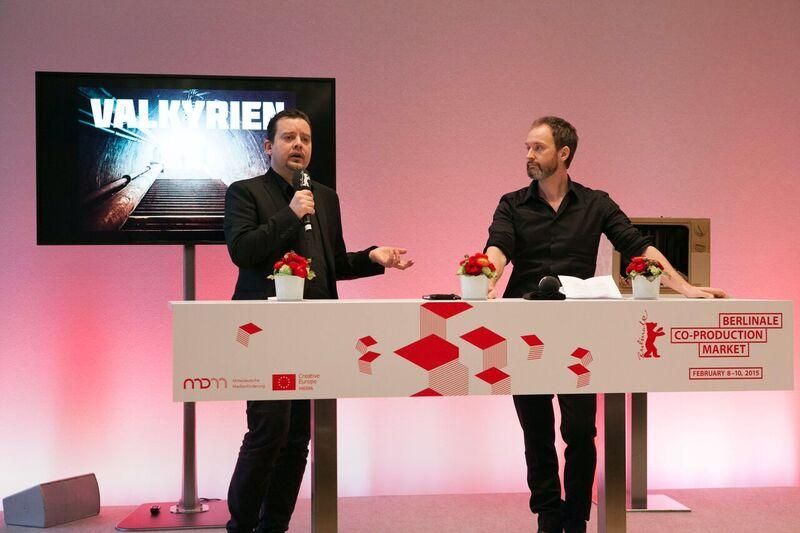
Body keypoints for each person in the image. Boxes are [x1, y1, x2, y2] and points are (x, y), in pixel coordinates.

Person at [484, 116, 725, 533]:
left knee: (580, 430)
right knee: (536, 430)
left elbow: (637, 245)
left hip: (580, 330)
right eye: (527, 147)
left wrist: (685, 288)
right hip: (525, 330)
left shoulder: (596, 203)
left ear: (564, 154)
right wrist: (487, 277)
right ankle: (547, 515)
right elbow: (498, 246)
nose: (529, 155)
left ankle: (576, 516)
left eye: (538, 148)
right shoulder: (511, 204)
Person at [223, 108, 413, 533]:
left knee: (297, 439)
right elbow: (243, 251)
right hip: (265, 332)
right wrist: (289, 213)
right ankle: (241, 526)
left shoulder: (325, 197)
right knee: (268, 432)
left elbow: (332, 264)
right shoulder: (245, 193)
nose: (298, 145)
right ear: (268, 146)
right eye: (288, 137)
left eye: (305, 139)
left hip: (317, 333)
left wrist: (373, 257)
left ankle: (274, 526)